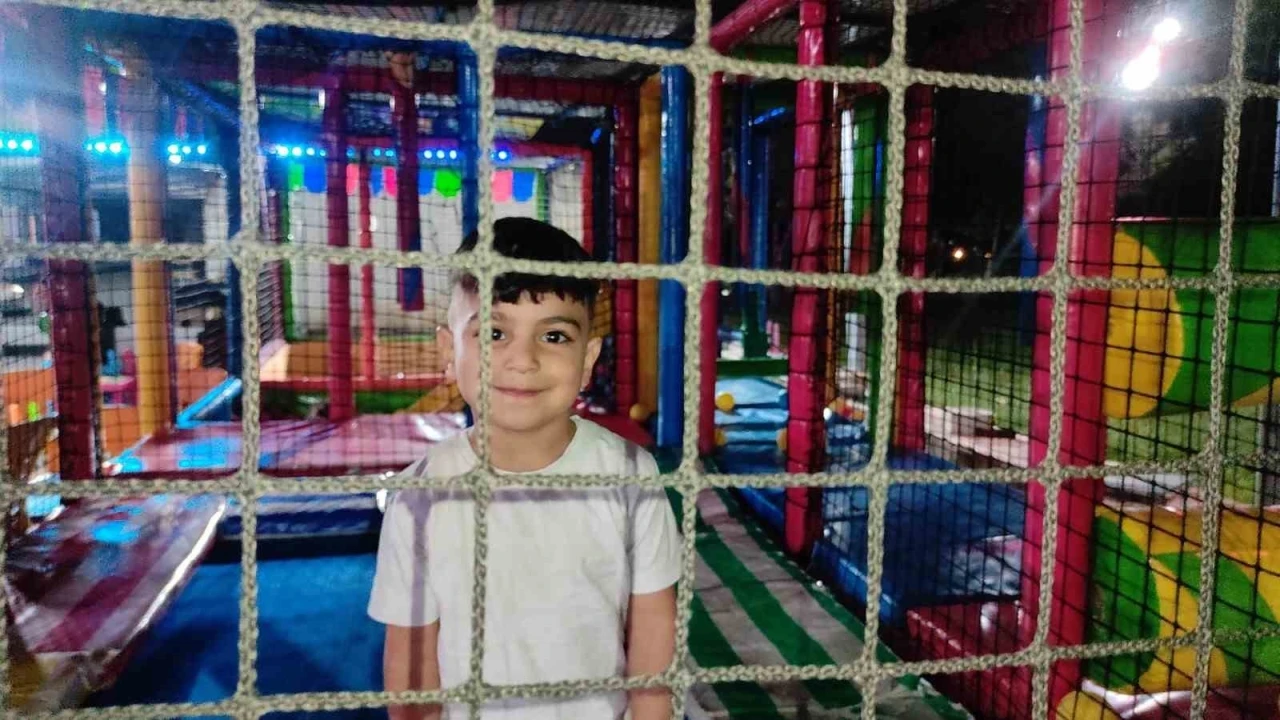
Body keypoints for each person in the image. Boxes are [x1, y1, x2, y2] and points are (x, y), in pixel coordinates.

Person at [368, 218, 681, 720]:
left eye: (554, 335)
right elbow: (412, 665)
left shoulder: (631, 477)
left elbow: (653, 649)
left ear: (588, 358)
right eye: (493, 332)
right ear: (450, 351)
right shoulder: (422, 494)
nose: (523, 360)